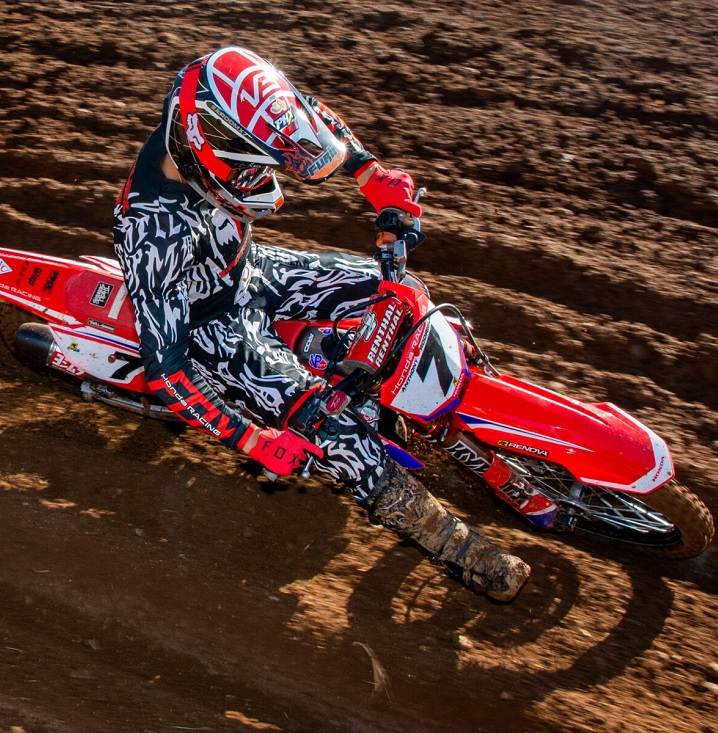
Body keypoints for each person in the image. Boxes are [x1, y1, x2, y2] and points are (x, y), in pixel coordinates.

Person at [113, 46, 531, 601]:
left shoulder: (226, 109)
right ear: (210, 153)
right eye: (253, 168)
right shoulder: (152, 231)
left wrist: (374, 177)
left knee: (395, 288)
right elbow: (166, 369)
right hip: (213, 324)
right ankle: (462, 551)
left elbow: (310, 116)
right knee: (336, 431)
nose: (264, 178)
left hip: (252, 270)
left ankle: (458, 395)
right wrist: (252, 439)